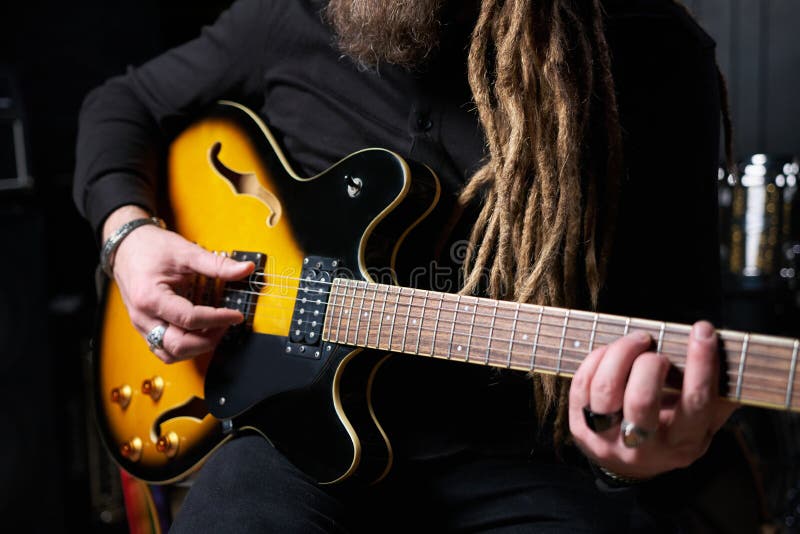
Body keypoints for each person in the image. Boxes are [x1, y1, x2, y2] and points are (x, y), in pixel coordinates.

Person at [74, 0, 743, 531]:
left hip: (536, 464)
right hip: (294, 437)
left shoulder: (651, 50)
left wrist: (634, 457)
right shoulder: (295, 12)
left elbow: (682, 367)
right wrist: (127, 237)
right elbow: (122, 103)